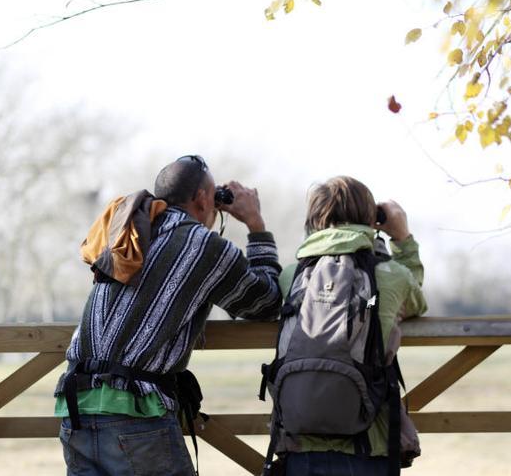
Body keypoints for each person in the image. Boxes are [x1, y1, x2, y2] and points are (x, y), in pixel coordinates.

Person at [54, 155, 283, 476]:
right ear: (204, 198)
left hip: (75, 406)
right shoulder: (204, 245)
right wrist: (256, 225)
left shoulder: (127, 229)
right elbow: (266, 303)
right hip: (134, 413)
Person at [275, 176, 426, 475]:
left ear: (313, 221)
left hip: (299, 446)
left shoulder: (291, 276)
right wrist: (402, 239)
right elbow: (415, 299)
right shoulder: (392, 275)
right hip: (368, 446)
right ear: (373, 219)